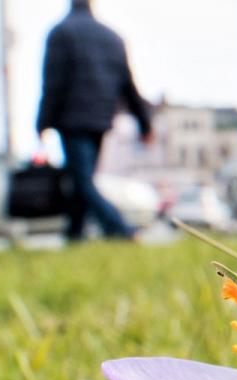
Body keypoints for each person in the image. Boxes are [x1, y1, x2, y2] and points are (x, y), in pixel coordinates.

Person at [36, 0, 151, 241]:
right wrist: (144, 122)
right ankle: (74, 234)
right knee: (81, 180)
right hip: (101, 119)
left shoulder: (61, 33)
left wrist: (42, 121)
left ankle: (120, 229)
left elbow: (53, 82)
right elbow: (128, 85)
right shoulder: (111, 37)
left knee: (82, 180)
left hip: (72, 119)